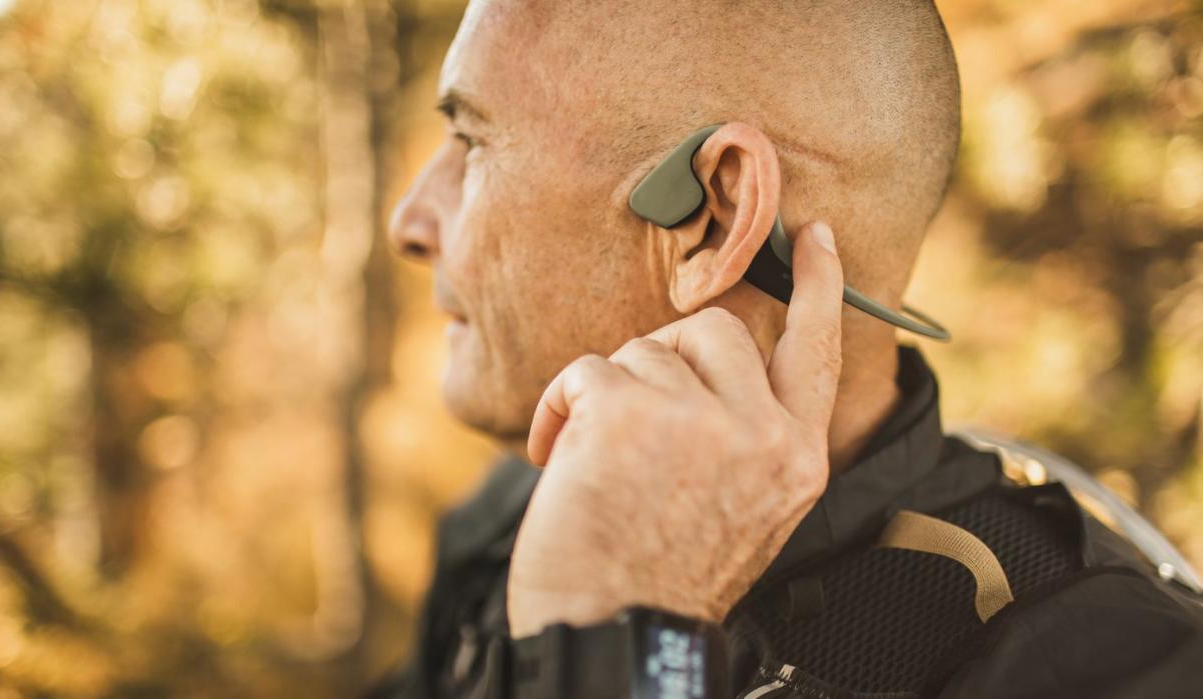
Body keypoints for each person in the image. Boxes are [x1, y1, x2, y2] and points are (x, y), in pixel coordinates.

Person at [373, 0, 1203, 696]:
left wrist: (618, 647)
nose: (409, 220)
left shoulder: (1107, 667)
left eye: (473, 142)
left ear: (714, 215)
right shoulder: (521, 507)